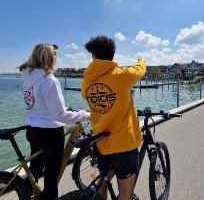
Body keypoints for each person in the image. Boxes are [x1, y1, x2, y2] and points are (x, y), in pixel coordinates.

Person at [19, 43, 90, 200]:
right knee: (51, 178)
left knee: (35, 169)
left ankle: (27, 194)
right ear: (50, 58)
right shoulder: (49, 80)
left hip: (32, 129)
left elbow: (37, 104)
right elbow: (60, 115)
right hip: (50, 133)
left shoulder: (28, 77)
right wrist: (84, 115)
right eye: (55, 56)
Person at [81, 36, 146, 200]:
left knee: (102, 182)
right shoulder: (122, 76)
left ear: (93, 57)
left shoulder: (86, 83)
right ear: (112, 56)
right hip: (123, 143)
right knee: (125, 193)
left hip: (101, 142)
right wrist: (141, 60)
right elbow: (140, 70)